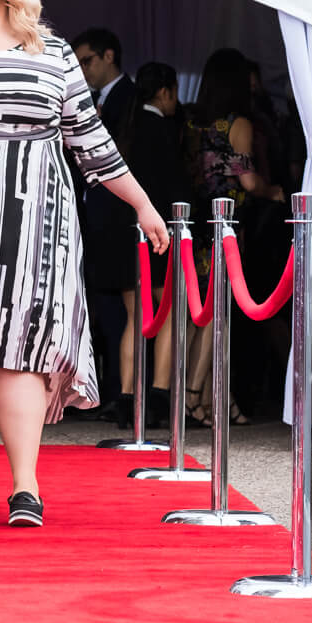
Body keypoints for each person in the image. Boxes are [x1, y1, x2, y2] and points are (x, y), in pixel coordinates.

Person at [0, 0, 170, 528]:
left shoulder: (53, 52)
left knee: (17, 344)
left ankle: (25, 486)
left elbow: (91, 143)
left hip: (34, 219)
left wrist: (143, 206)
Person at [187, 48, 279, 424]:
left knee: (201, 311)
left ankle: (214, 402)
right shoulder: (235, 123)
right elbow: (247, 179)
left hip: (195, 220)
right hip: (227, 223)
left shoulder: (193, 121)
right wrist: (273, 191)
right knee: (217, 312)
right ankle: (194, 397)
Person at [117, 62, 193, 425]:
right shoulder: (162, 130)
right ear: (165, 92)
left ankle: (126, 397)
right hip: (159, 233)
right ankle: (161, 395)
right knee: (171, 313)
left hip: (125, 235)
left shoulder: (127, 127)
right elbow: (175, 186)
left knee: (136, 317)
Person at [71, 27, 137, 418]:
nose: (83, 70)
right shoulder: (91, 100)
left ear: (109, 56)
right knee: (97, 307)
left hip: (117, 219)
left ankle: (117, 392)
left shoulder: (130, 99)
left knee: (117, 310)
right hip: (90, 218)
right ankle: (101, 390)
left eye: (88, 61)